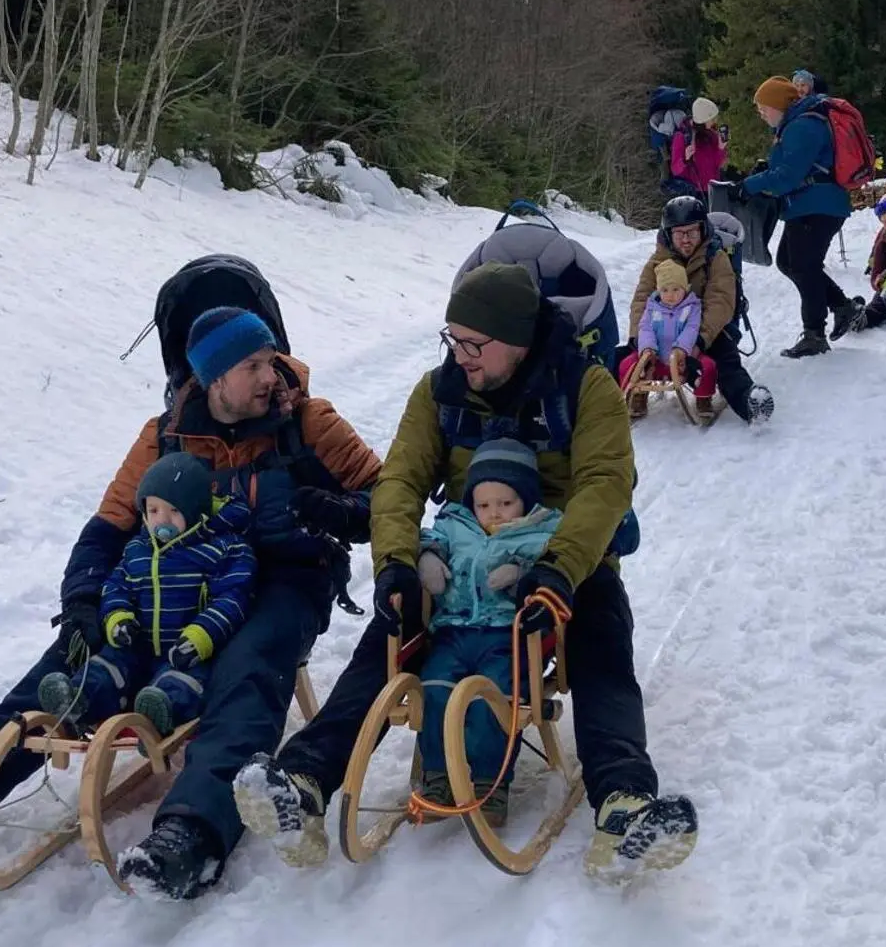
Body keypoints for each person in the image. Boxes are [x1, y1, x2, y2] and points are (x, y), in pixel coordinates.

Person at [0, 304, 381, 900]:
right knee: (64, 671)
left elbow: (387, 498)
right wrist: (84, 603)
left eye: (270, 358)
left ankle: (190, 834)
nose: (272, 374)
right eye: (253, 365)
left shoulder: (309, 422)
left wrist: (337, 510)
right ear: (214, 377)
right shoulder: (165, 435)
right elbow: (110, 525)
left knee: (247, 675)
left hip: (283, 578)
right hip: (172, 580)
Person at [234, 262, 699, 881]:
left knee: (601, 639)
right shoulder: (440, 391)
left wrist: (560, 571)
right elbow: (399, 480)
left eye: (474, 344)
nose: (461, 355)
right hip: (463, 558)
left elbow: (606, 483)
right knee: (390, 640)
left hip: (560, 558)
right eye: (453, 340)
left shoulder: (585, 389)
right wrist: (397, 564)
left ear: (519, 340)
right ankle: (305, 781)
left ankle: (625, 804)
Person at [37, 452, 256, 738]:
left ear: (196, 509)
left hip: (188, 650)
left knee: (183, 682)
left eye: (173, 511)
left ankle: (161, 710)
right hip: (137, 644)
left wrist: (201, 637)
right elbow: (116, 587)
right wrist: (118, 618)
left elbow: (233, 598)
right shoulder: (137, 550)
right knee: (108, 663)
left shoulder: (223, 549)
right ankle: (79, 698)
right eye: (153, 511)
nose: (161, 520)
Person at [414, 438, 561, 826]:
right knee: (434, 690)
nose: (493, 513)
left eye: (505, 503)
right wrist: (428, 556)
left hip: (508, 637)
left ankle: (489, 783)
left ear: (525, 500)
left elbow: (557, 564)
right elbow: (431, 538)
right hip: (452, 631)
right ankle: (438, 777)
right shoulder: (456, 524)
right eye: (484, 505)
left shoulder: (540, 530)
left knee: (491, 700)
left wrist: (522, 575)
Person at [736, 76, 860, 358]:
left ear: (779, 104)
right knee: (789, 262)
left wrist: (749, 185)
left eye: (763, 107)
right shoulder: (795, 124)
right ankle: (843, 306)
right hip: (809, 205)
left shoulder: (803, 126)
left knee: (804, 266)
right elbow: (791, 167)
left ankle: (814, 333)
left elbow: (787, 176)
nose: (761, 112)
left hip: (817, 205)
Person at [627, 196, 772, 426]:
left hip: (703, 332)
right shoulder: (657, 262)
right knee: (623, 357)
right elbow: (641, 300)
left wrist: (699, 340)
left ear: (702, 230)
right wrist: (639, 340)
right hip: (661, 330)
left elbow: (720, 301)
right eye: (679, 233)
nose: (686, 240)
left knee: (726, 362)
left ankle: (750, 402)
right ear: (668, 234)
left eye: (692, 232)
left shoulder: (716, 257)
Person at [619, 260, 717, 416]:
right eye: (665, 290)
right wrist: (648, 348)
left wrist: (681, 349)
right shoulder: (652, 307)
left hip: (683, 359)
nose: (670, 295)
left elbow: (692, 329)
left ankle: (703, 398)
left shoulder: (692, 307)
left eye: (675, 289)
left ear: (684, 289)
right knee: (628, 364)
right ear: (658, 291)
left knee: (708, 367)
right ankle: (637, 395)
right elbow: (645, 328)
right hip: (655, 360)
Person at [669, 97, 727, 199]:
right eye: (712, 119)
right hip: (694, 193)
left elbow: (718, 164)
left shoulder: (711, 134)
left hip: (713, 189)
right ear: (702, 120)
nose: (714, 122)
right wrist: (685, 159)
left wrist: (721, 148)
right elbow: (675, 170)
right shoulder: (682, 137)